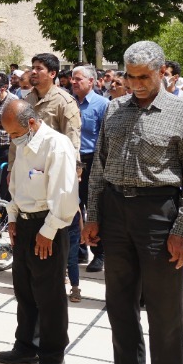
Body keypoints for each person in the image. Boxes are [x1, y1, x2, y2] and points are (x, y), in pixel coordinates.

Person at [83, 41, 183, 364]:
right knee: (119, 300)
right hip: (116, 211)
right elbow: (99, 165)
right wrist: (93, 214)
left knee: (164, 306)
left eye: (143, 77)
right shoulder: (115, 109)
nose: (135, 84)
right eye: (130, 77)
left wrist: (181, 228)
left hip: (158, 213)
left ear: (162, 72)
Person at [0, 99, 78, 364]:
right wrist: (13, 217)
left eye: (14, 133)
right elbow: (16, 186)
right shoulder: (24, 143)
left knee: (49, 296)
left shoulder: (56, 145)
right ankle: (26, 345)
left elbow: (65, 195)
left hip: (48, 227)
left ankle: (52, 357)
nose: (12, 139)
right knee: (25, 290)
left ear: (31, 123)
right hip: (25, 224)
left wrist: (48, 231)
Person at [70, 65, 109, 277]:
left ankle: (99, 253)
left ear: (91, 81)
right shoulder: (69, 103)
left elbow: (106, 138)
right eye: (72, 79)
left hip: (92, 160)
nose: (73, 82)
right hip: (71, 160)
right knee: (73, 206)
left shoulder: (102, 105)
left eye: (78, 79)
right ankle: (79, 249)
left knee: (93, 206)